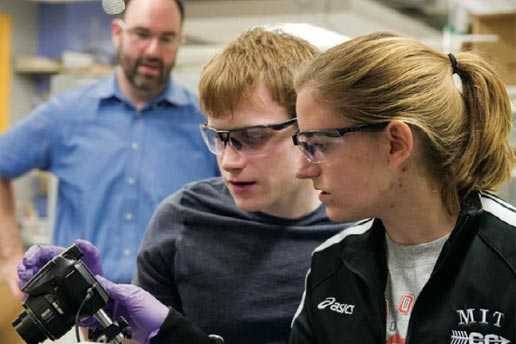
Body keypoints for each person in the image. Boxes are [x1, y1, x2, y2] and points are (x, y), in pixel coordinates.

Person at [18, 28, 351, 344]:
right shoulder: (181, 221)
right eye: (219, 138)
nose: (229, 161)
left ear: (305, 127)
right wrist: (101, 309)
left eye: (252, 138)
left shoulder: (359, 233)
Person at [289, 32, 516, 343]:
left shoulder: (509, 257)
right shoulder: (330, 266)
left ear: (395, 143)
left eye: (319, 145)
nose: (303, 169)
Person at [0, 0, 218, 295]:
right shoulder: (67, 114)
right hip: (77, 314)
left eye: (166, 38)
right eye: (142, 34)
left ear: (179, 40)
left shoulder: (206, 125)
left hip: (172, 316)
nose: (153, 50)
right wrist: (10, 256)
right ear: (118, 33)